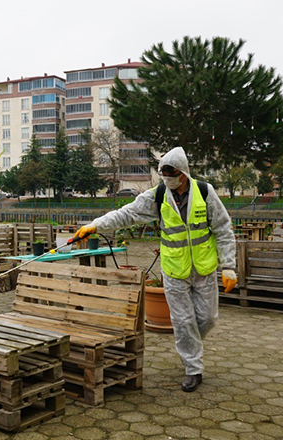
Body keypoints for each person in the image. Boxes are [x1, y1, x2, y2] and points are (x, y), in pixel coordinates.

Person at [74, 146, 237, 392]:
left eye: (171, 174)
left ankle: (190, 347)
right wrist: (96, 225)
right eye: (164, 175)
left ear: (183, 173)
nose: (168, 179)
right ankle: (193, 369)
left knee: (208, 318)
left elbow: (223, 229)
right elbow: (126, 214)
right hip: (173, 270)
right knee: (182, 321)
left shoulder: (204, 192)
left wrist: (229, 266)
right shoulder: (158, 195)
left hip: (203, 268)